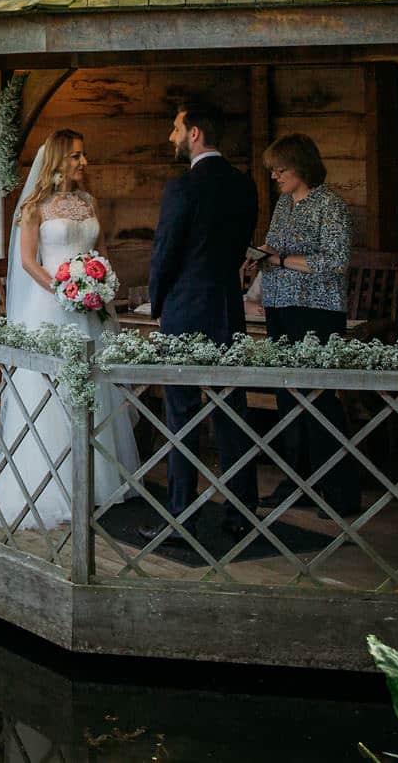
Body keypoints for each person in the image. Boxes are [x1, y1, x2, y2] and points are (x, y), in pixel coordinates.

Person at [0, 129, 141, 528]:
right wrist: (64, 287)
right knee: (50, 394)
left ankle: (96, 482)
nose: (83, 162)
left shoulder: (88, 202)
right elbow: (26, 261)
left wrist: (100, 282)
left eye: (83, 155)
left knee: (94, 389)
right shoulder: (34, 206)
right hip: (52, 306)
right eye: (76, 156)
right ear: (57, 160)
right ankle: (48, 485)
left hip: (89, 309)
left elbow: (100, 250)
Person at [143, 100, 261, 541]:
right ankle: (241, 513)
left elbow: (165, 253)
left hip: (185, 310)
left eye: (176, 129)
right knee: (233, 411)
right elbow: (236, 251)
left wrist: (158, 305)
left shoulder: (182, 189)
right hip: (227, 307)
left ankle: (181, 515)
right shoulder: (245, 187)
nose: (171, 137)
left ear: (195, 134)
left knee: (183, 414)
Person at [248, 133, 358, 515]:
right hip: (280, 306)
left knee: (319, 396)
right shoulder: (283, 204)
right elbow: (275, 245)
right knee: (287, 396)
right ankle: (296, 481)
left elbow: (335, 261)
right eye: (273, 169)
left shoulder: (331, 204)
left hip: (317, 309)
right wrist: (256, 257)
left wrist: (279, 262)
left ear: (303, 167)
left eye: (282, 168)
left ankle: (340, 491)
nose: (275, 175)